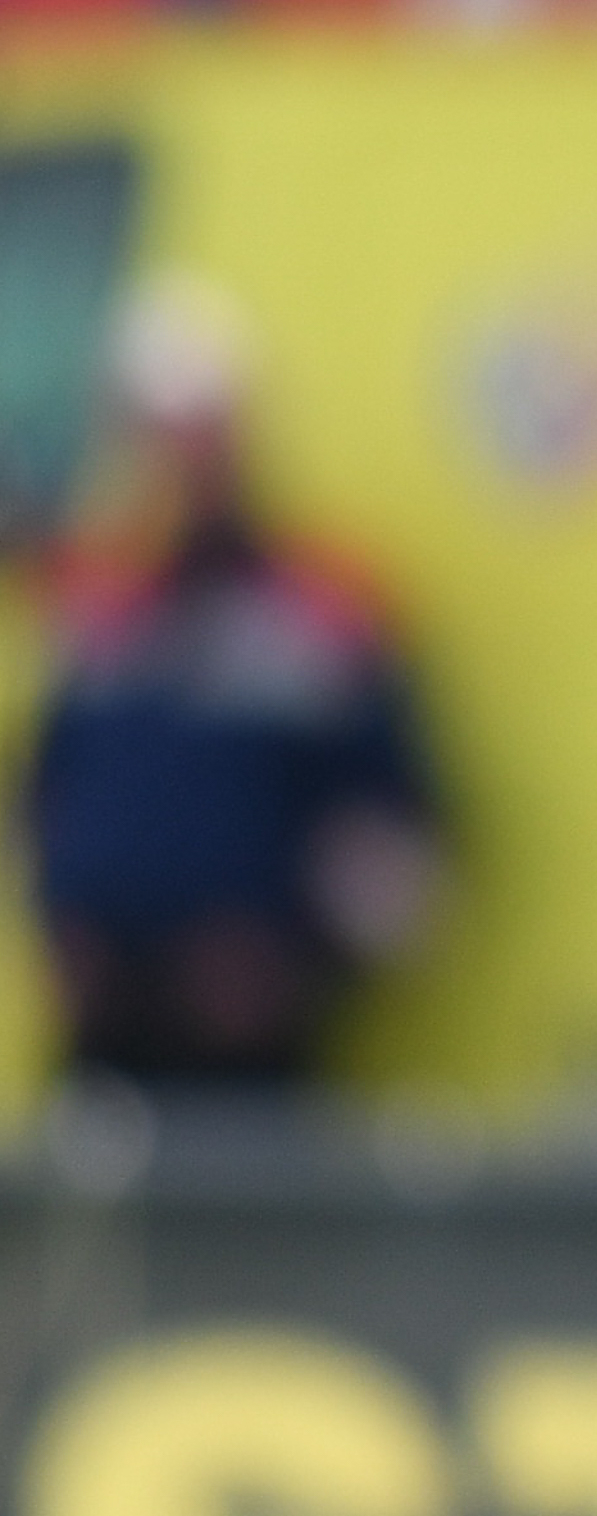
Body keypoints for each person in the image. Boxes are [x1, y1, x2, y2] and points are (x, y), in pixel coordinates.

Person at [21, 281, 444, 1088]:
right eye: (154, 437)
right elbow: (46, 796)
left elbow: (399, 834)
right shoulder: (99, 610)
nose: (176, 462)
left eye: (196, 435)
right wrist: (62, 939)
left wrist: (301, 961)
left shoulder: (320, 612)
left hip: (251, 1050)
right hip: (104, 1031)